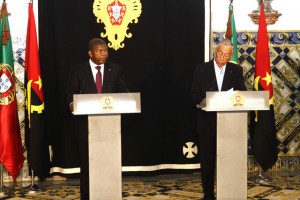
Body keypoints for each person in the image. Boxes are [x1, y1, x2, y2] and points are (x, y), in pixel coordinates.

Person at [66, 38, 127, 200]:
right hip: (86, 126)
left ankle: (110, 193)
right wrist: (72, 104)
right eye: (100, 51)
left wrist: (128, 99)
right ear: (90, 53)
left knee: (109, 161)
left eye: (106, 50)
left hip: (110, 127)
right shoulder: (78, 71)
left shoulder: (115, 69)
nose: (104, 54)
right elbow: (70, 94)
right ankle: (86, 195)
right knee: (87, 165)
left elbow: (122, 91)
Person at [191, 40, 246, 200]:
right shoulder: (201, 69)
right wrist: (207, 102)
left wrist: (234, 99)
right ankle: (208, 195)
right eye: (220, 53)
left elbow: (241, 93)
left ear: (231, 55)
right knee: (207, 163)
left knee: (227, 160)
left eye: (227, 54)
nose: (222, 57)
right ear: (216, 51)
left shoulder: (236, 70)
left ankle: (227, 193)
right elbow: (194, 95)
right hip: (207, 123)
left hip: (229, 124)